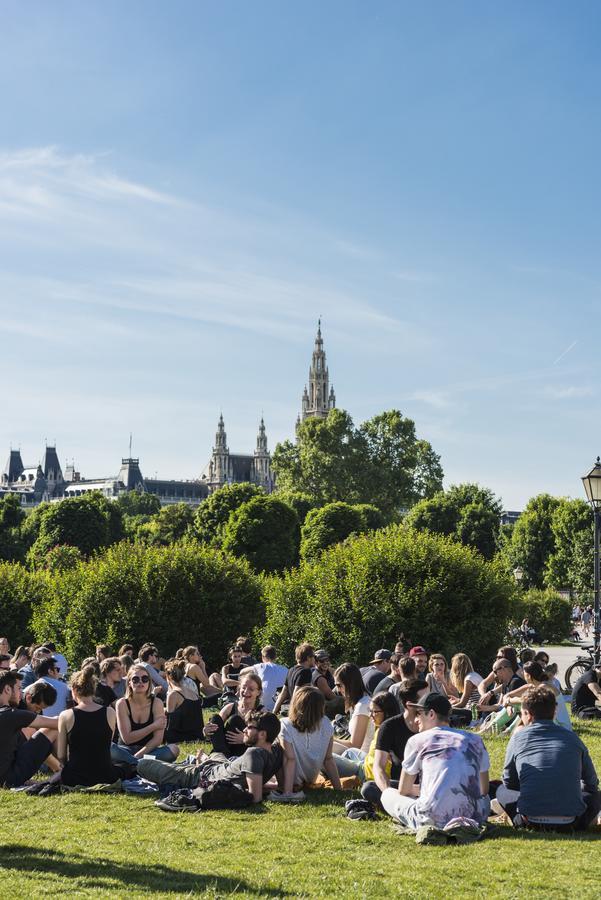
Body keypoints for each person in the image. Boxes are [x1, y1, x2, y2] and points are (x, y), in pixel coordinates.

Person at [493, 686, 601, 830]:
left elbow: (509, 783)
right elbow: (591, 783)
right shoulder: (573, 738)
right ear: (555, 712)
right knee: (596, 795)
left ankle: (509, 815)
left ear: (527, 714)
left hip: (530, 820)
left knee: (500, 789)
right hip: (572, 822)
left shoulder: (518, 738)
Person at [380, 692, 490, 830]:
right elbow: (484, 789)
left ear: (431, 714)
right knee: (485, 800)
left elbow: (404, 790)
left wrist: (433, 790)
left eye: (419, 713)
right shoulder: (475, 740)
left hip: (431, 819)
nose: (415, 720)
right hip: (474, 816)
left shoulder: (417, 741)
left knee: (387, 794)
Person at [138, 710, 283, 803]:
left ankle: (199, 760)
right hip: (221, 765)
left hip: (201, 775)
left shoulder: (254, 753)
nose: (244, 730)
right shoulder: (277, 751)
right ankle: (201, 759)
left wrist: (267, 787)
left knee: (142, 764)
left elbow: (255, 797)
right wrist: (272, 787)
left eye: (250, 727)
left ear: (263, 734)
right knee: (218, 752)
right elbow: (278, 788)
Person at [361, 679, 429, 808]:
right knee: (369, 788)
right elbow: (378, 767)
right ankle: (403, 806)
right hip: (402, 787)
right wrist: (388, 794)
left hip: (430, 785)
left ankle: (406, 808)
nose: (430, 702)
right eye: (425, 699)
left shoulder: (432, 723)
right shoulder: (389, 726)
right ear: (409, 705)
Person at [270, 685, 341, 801]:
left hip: (287, 780)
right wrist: (339, 789)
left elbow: (290, 759)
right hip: (310, 778)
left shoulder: (285, 725)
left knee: (273, 747)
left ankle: (279, 787)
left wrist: (288, 792)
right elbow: (328, 759)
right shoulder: (326, 724)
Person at [57, 666, 122, 787]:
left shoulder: (65, 715)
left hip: (75, 777)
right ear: (94, 689)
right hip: (106, 775)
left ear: (74, 690)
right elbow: (106, 744)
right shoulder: (110, 712)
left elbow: (61, 755)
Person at [111, 664, 178, 768]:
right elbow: (127, 739)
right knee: (108, 748)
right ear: (129, 683)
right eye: (135, 679)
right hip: (125, 750)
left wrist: (138, 757)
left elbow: (157, 740)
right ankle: (142, 765)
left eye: (145, 678)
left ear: (149, 682)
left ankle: (131, 765)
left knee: (174, 749)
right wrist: (154, 726)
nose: (140, 682)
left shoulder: (157, 703)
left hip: (149, 751)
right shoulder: (122, 703)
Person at [0, 670, 59, 787]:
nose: (21, 693)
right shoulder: (13, 715)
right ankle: (64, 770)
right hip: (9, 779)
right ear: (7, 689)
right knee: (53, 728)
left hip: (7, 774)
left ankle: (60, 769)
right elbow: (58, 722)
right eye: (18, 688)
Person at [204, 672, 264, 757]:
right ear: (239, 689)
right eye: (243, 687)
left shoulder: (262, 712)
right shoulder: (230, 707)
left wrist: (246, 739)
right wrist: (206, 732)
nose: (246, 691)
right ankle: (222, 754)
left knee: (235, 720)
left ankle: (219, 756)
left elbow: (268, 740)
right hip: (226, 748)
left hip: (245, 752)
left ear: (258, 692)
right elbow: (216, 730)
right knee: (215, 718)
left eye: (251, 689)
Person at [502, 661, 571, 730]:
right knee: (520, 706)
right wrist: (509, 705)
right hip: (548, 722)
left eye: (524, 672)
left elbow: (525, 701)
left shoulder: (545, 686)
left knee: (524, 706)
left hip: (561, 727)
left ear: (528, 675)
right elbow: (507, 695)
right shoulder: (531, 685)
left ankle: (505, 729)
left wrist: (509, 701)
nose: (522, 674)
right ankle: (500, 728)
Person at [331, 663, 374, 776]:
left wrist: (329, 739)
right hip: (356, 756)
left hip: (361, 760)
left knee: (322, 749)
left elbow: (355, 746)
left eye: (339, 685)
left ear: (350, 684)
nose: (338, 689)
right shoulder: (358, 703)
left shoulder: (363, 705)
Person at [164, 659, 204, 744]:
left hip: (181, 737)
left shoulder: (173, 694)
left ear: (167, 677)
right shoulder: (193, 693)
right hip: (197, 735)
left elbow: (170, 724)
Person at [273, 643, 315, 715]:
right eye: (314, 656)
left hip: (292, 710)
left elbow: (283, 693)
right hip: (299, 712)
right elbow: (297, 694)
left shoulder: (291, 670)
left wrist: (274, 712)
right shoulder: (306, 672)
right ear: (308, 658)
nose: (315, 659)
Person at [251, 645, 288, 712]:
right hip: (281, 708)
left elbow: (243, 672)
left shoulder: (261, 666)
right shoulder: (285, 669)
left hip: (263, 708)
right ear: (275, 657)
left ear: (263, 657)